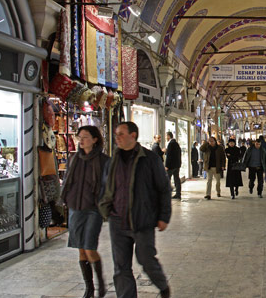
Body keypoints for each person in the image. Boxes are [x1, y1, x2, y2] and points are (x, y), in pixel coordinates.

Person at [99, 122, 171, 298]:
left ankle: (162, 285)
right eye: (116, 134)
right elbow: (106, 186)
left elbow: (164, 188)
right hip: (117, 220)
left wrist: (164, 216)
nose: (117, 138)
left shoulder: (150, 159)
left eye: (121, 134)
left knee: (146, 259)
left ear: (133, 136)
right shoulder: (112, 161)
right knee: (121, 266)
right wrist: (105, 209)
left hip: (142, 219)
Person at [61, 126, 109, 298]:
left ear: (95, 139)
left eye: (85, 137)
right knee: (81, 249)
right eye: (79, 137)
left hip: (93, 210)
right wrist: (66, 199)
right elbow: (68, 180)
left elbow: (109, 187)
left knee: (89, 247)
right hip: (75, 208)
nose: (81, 140)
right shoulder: (74, 158)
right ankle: (89, 289)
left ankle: (101, 283)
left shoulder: (104, 161)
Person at [165, 131, 182, 199]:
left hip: (171, 166)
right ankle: (178, 193)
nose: (166, 137)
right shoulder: (176, 144)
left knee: (167, 179)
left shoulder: (170, 144)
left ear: (169, 136)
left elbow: (169, 156)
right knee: (177, 179)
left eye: (166, 136)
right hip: (177, 165)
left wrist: (167, 166)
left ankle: (167, 193)